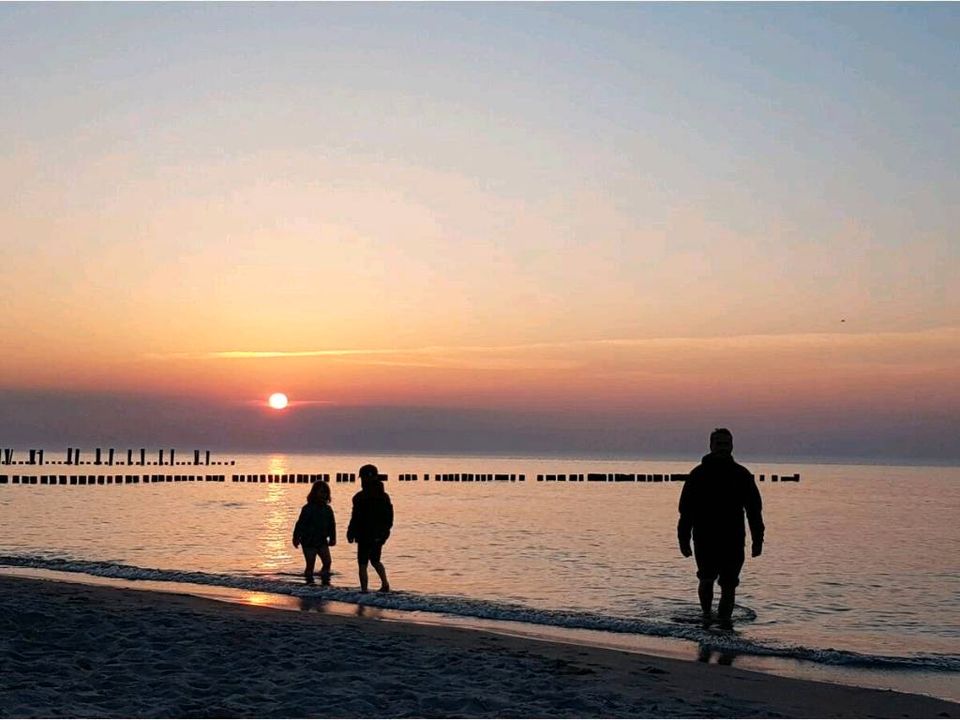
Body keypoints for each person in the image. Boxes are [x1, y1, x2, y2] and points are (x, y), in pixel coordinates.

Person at [678, 428, 764, 625]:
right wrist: (683, 539)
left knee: (729, 585)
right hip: (704, 537)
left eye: (726, 444)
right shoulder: (698, 474)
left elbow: (754, 510)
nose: (722, 448)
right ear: (711, 446)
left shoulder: (742, 475)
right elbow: (686, 511)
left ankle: (725, 626)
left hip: (733, 539)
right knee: (706, 580)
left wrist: (757, 540)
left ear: (732, 446)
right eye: (719, 444)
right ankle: (707, 617)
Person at [346, 463, 393, 593]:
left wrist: (351, 531)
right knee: (374, 561)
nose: (362, 481)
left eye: (363, 479)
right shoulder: (382, 497)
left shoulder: (361, 497)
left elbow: (355, 517)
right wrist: (384, 533)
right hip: (371, 534)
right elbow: (389, 519)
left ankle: (366, 590)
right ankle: (383, 584)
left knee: (364, 563)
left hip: (368, 534)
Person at [292, 481, 336, 586]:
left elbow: (332, 524)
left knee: (327, 562)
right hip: (308, 541)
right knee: (310, 564)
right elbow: (300, 524)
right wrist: (296, 537)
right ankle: (309, 585)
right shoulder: (307, 508)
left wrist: (333, 538)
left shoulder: (328, 509)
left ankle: (325, 582)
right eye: (321, 492)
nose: (323, 495)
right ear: (314, 493)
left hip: (322, 540)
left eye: (325, 492)